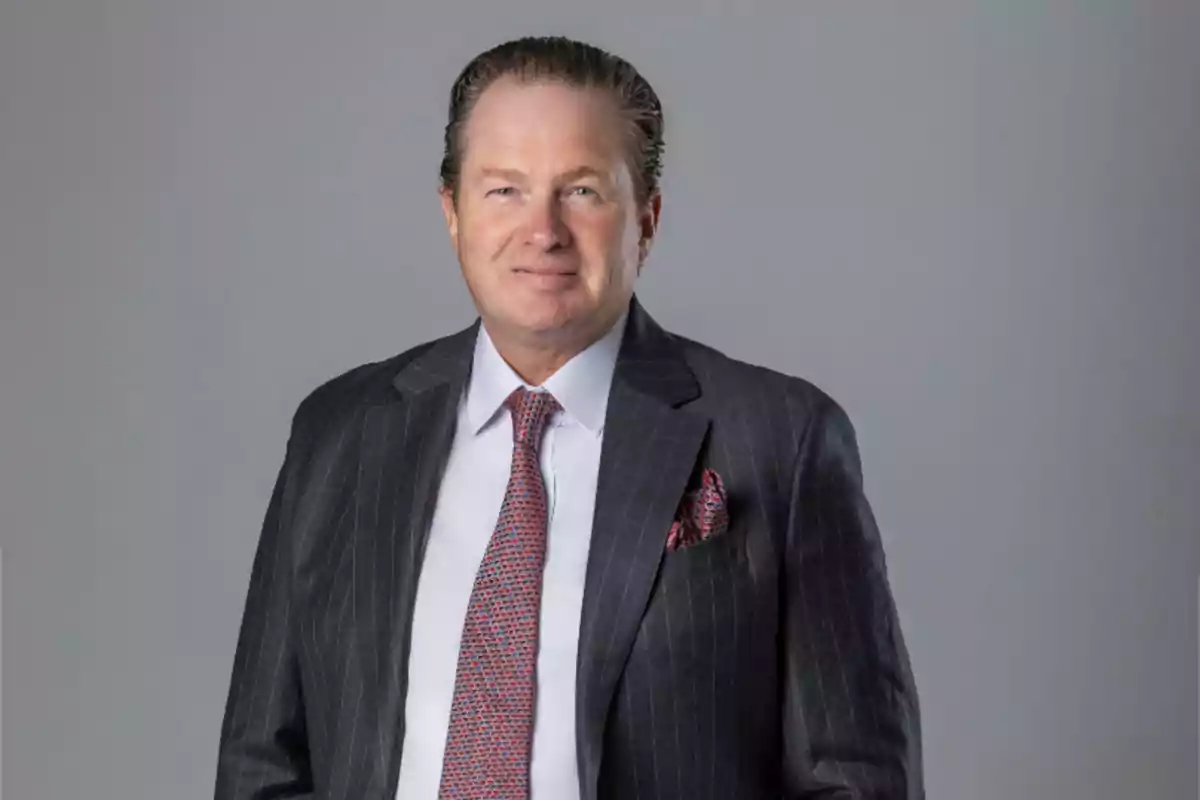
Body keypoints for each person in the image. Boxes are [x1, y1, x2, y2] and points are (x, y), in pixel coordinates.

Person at [215, 35, 923, 800]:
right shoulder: (341, 435)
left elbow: (857, 780)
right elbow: (263, 767)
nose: (542, 230)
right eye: (504, 190)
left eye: (582, 190)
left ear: (646, 219)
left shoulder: (781, 441)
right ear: (452, 212)